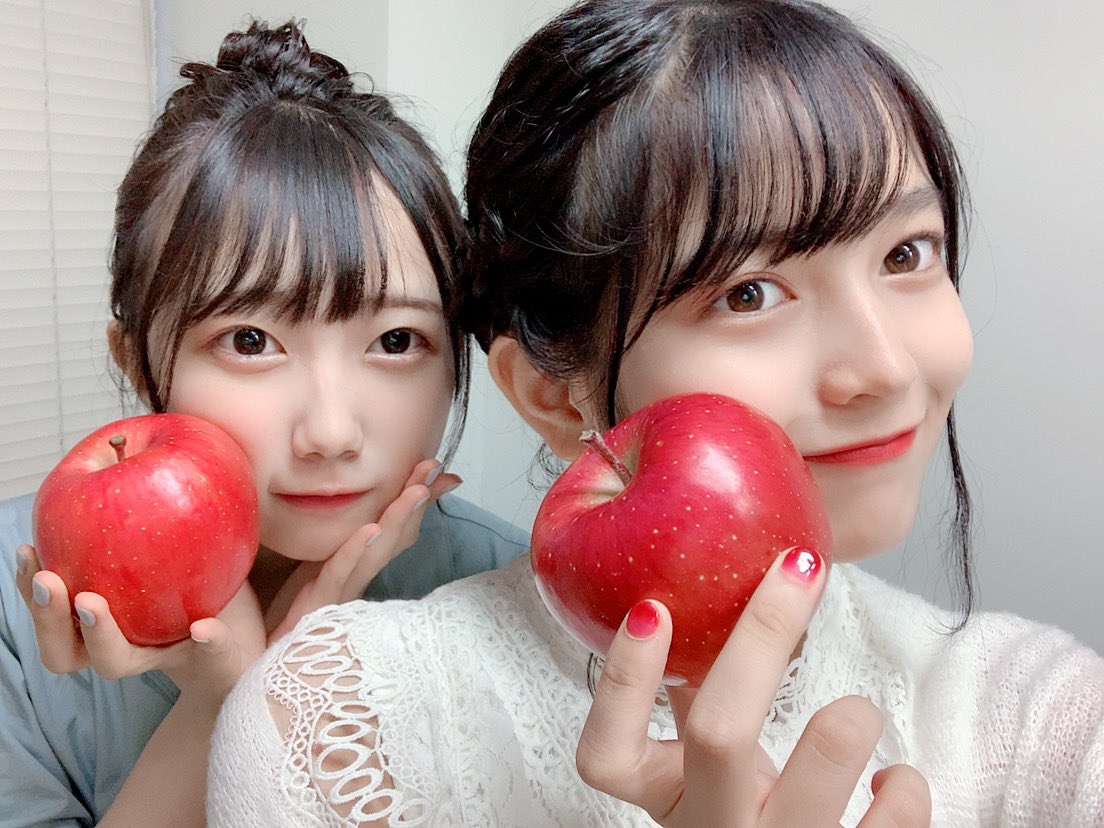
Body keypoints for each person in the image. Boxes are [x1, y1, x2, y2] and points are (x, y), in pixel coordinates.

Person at [206, 2, 1104, 825]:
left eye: (907, 253)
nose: (885, 367)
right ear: (552, 393)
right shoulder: (335, 729)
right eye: (750, 293)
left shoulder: (1041, 715)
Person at [0, 20, 528, 828]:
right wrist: (232, 698)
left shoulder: (510, 595)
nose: (331, 432)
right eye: (250, 341)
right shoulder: (19, 597)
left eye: (396, 341)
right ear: (139, 361)